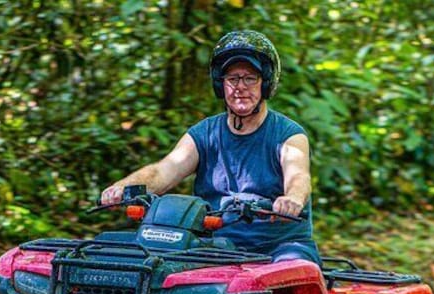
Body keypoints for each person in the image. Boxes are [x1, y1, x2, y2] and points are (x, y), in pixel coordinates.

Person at [101, 30, 319, 264]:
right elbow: (164, 171)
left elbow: (298, 177)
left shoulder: (288, 134)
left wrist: (293, 199)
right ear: (220, 84)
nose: (240, 87)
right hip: (215, 245)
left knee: (294, 269)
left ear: (265, 83)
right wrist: (122, 188)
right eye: (232, 79)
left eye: (250, 78)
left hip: (279, 247)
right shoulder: (204, 133)